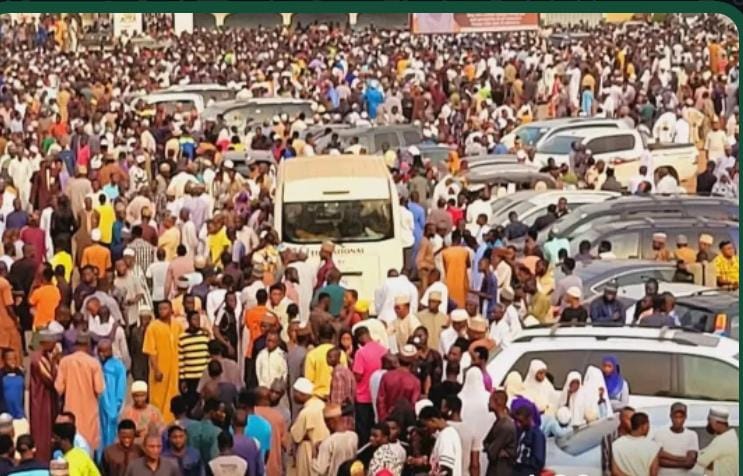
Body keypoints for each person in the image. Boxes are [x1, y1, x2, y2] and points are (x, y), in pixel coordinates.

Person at [54, 332, 105, 453]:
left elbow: (58, 388)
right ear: (88, 345)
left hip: (70, 412)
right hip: (89, 412)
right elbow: (100, 389)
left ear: (75, 345)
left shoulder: (65, 362)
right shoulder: (93, 363)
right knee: (89, 447)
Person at [143, 300, 182, 423]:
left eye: (165, 308)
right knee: (158, 399)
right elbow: (150, 351)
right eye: (160, 309)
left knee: (174, 396)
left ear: (171, 310)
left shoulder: (177, 325)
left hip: (175, 370)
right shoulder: (153, 327)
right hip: (160, 370)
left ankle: (173, 422)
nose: (162, 311)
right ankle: (158, 424)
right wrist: (156, 370)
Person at [290, 377, 329, 476]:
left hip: (309, 450)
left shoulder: (306, 412)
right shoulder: (322, 405)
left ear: (303, 394)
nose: (293, 396)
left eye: (295, 393)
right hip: (324, 448)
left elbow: (296, 435)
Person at [653, 402, 699, 476]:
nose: (678, 420)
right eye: (676, 417)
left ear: (685, 417)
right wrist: (681, 459)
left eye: (681, 417)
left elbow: (689, 463)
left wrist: (666, 459)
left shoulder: (692, 435)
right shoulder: (660, 434)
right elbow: (658, 460)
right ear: (670, 416)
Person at [377, 344, 421, 422]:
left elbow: (380, 401)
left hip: (387, 419)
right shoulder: (415, 382)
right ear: (413, 362)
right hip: (404, 422)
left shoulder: (387, 376)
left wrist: (383, 419)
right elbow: (413, 405)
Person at [97, 339, 127, 452]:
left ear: (111, 351)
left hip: (112, 407)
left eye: (105, 351)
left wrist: (117, 406)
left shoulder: (118, 366)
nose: (102, 354)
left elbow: (121, 388)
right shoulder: (96, 365)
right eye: (100, 351)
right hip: (98, 407)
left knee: (111, 434)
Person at [312, 403, 358, 476]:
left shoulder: (328, 443)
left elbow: (320, 470)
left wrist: (314, 457)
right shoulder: (354, 436)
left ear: (330, 422)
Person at [612, 412, 661, 476]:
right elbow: (653, 474)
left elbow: (615, 471)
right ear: (643, 427)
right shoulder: (653, 447)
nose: (649, 429)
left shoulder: (616, 444)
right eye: (648, 426)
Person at [442, 395, 481, 476]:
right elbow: (475, 464)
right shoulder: (471, 430)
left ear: (449, 410)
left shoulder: (441, 430)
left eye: (443, 408)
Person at [419, 406, 463, 476]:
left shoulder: (447, 436)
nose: (426, 429)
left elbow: (446, 469)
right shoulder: (445, 434)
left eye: (426, 425)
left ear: (433, 420)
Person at [696, 407, 738, 476]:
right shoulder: (730, 437)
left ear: (718, 422)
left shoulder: (724, 441)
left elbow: (701, 460)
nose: (708, 424)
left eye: (709, 420)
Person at [119, 381, 164, 446]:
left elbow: (161, 431)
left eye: (142, 395)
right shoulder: (126, 412)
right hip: (131, 447)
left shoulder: (154, 411)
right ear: (132, 396)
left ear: (147, 395)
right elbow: (121, 432)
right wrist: (133, 433)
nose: (139, 399)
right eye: (136, 396)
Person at [483, 389, 517, 476]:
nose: (488, 403)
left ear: (497, 402)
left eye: (490, 401)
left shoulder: (506, 426)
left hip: (501, 471)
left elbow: (492, 452)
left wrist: (492, 449)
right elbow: (485, 442)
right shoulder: (499, 422)